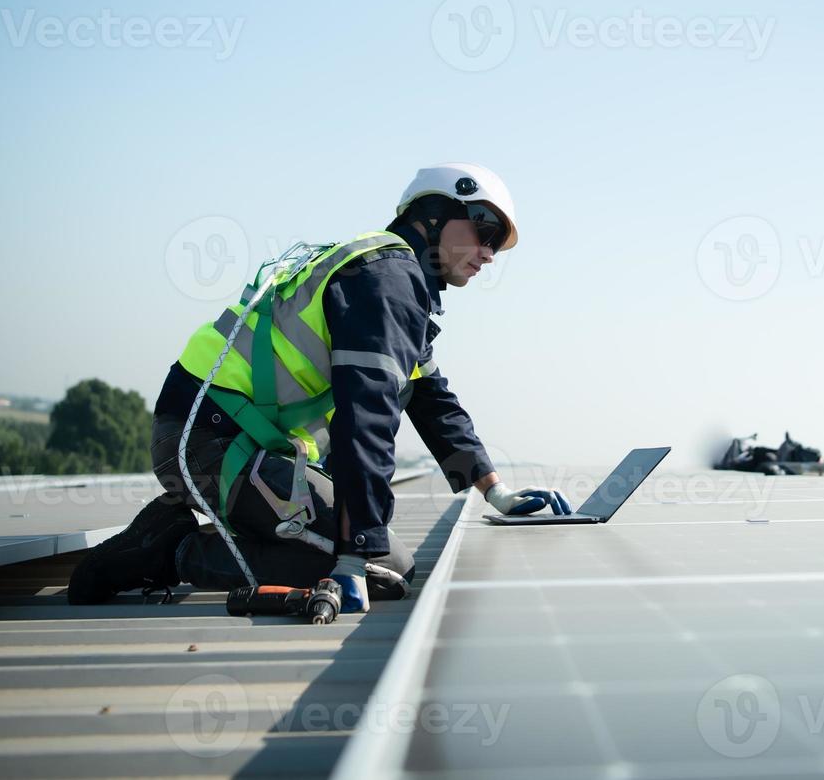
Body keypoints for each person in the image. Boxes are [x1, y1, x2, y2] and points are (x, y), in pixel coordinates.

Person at [69, 163, 572, 611]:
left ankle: (192, 530)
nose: (488, 253)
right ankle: (169, 551)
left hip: (227, 436)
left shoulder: (389, 279)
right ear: (434, 215)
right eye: (484, 229)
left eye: (496, 244)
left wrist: (496, 492)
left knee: (375, 552)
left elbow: (435, 403)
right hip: (211, 439)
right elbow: (367, 416)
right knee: (388, 568)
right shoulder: (387, 282)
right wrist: (355, 553)